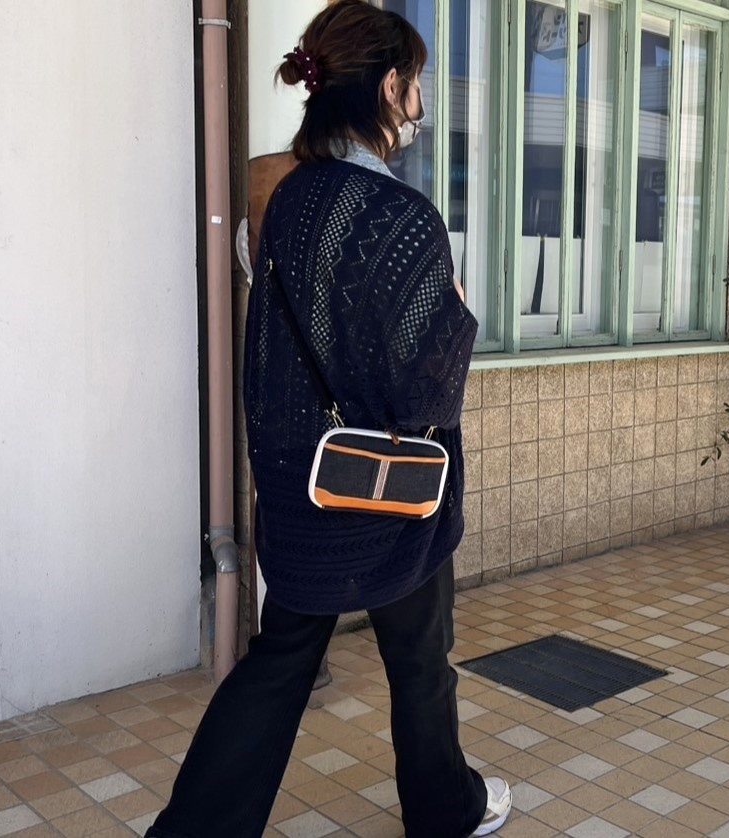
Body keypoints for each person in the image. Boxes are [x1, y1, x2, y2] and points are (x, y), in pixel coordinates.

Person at [146, 2, 511, 836]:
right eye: (415, 85)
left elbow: (282, 345)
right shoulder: (403, 216)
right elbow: (426, 391)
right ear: (389, 86)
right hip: (393, 493)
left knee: (278, 664)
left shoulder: (283, 203)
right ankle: (444, 811)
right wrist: (457, 313)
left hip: (304, 487)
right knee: (421, 664)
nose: (418, 105)